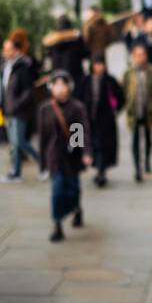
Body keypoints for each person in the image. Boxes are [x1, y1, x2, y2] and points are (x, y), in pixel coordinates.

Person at [37, 71, 91, 242]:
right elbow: (43, 138)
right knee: (57, 190)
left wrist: (85, 152)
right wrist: (43, 163)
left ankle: (76, 209)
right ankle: (57, 224)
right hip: (54, 156)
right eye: (56, 85)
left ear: (69, 87)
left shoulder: (76, 108)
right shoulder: (45, 109)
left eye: (63, 85)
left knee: (73, 188)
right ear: (51, 87)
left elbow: (81, 133)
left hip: (71, 156)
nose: (60, 89)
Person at [0, 30, 40, 183]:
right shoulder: (5, 65)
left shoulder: (23, 66)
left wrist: (16, 105)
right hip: (8, 109)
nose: (4, 52)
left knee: (19, 142)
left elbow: (29, 91)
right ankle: (17, 171)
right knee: (15, 143)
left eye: (7, 50)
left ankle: (19, 171)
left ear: (16, 50)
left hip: (18, 110)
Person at [121, 43, 152, 182]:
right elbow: (124, 91)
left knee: (149, 139)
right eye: (137, 55)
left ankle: (147, 162)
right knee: (135, 140)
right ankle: (137, 169)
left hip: (148, 110)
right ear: (133, 57)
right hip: (134, 111)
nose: (140, 58)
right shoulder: (128, 73)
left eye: (143, 55)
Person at [84, 53, 123, 188]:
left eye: (101, 64)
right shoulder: (86, 80)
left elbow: (120, 97)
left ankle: (101, 172)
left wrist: (115, 110)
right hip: (89, 120)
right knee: (92, 145)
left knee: (102, 145)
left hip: (105, 120)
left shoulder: (110, 81)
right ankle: (98, 169)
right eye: (96, 64)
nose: (98, 67)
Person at [43, 14, 89, 98]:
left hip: (57, 78)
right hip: (75, 76)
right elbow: (86, 54)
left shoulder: (51, 42)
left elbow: (48, 62)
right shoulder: (77, 39)